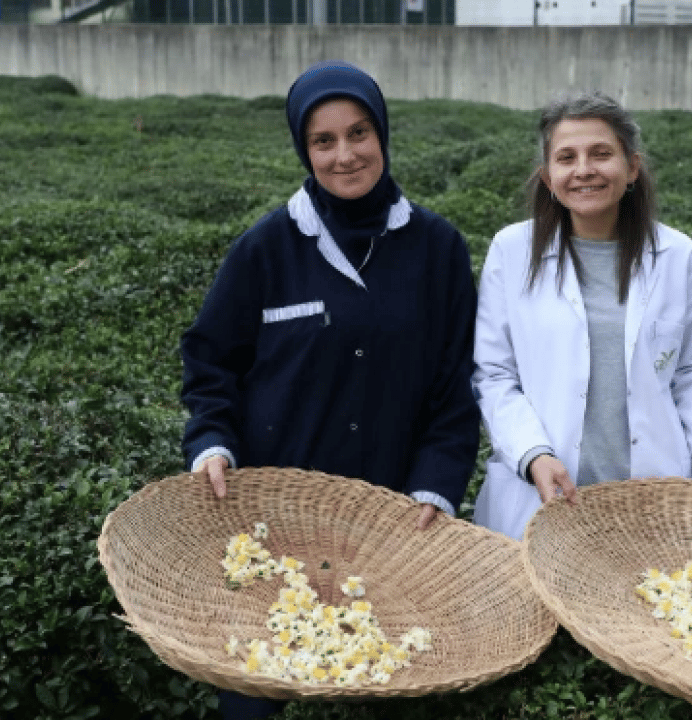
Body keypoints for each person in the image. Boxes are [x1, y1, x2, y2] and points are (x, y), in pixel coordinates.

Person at [179, 60, 480, 719]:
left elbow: (456, 387)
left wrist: (435, 484)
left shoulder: (437, 250)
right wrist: (211, 440)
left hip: (390, 522)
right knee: (254, 694)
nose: (345, 155)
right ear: (303, 148)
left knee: (392, 686)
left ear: (384, 135)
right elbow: (211, 362)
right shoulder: (266, 248)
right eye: (324, 141)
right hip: (276, 524)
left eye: (359, 133)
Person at [472, 91, 692, 541]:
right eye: (567, 158)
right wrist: (534, 454)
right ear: (548, 177)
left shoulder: (678, 257)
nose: (584, 169)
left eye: (601, 154)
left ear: (632, 167)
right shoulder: (511, 252)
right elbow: (493, 375)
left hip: (649, 503)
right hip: (543, 498)